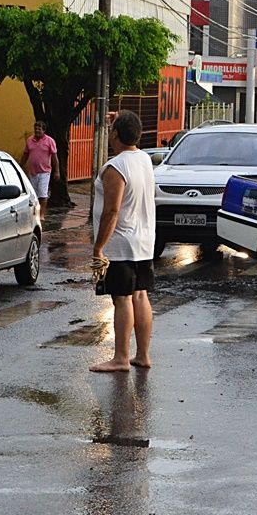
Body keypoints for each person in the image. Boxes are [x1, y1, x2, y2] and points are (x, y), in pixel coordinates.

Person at [90, 110, 156, 373]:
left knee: (122, 298)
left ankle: (120, 357)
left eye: (112, 129)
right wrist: (123, 120)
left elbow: (112, 211)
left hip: (120, 244)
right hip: (144, 240)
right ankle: (142, 355)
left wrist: (98, 247)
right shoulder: (144, 160)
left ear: (115, 134)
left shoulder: (115, 168)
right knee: (140, 295)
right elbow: (127, 131)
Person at [21, 121, 59, 220]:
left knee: (42, 194)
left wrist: (57, 171)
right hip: (33, 172)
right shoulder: (30, 140)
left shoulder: (49, 141)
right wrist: (21, 166)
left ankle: (41, 215)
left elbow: (54, 157)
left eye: (39, 129)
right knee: (34, 194)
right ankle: (34, 213)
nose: (37, 131)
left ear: (44, 130)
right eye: (36, 128)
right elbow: (25, 154)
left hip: (44, 172)